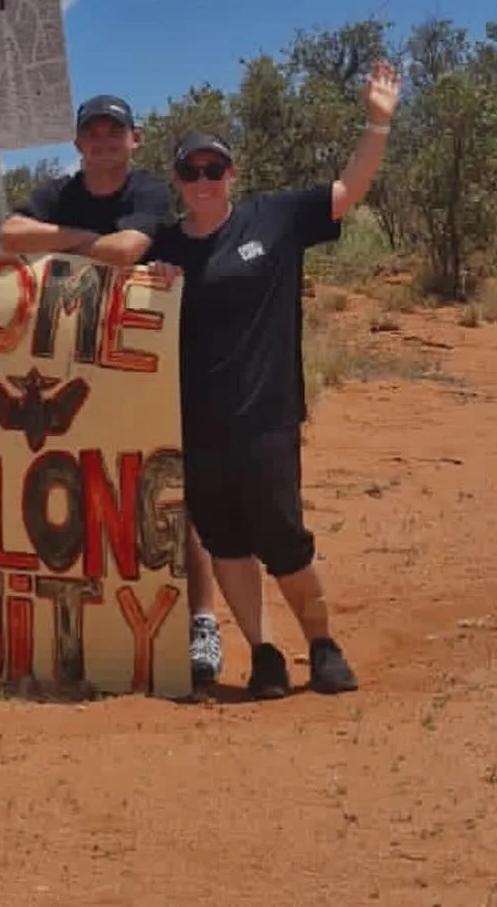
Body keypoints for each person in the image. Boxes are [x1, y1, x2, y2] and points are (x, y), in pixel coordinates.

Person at [149, 60, 403, 701]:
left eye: (214, 169)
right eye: (190, 171)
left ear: (232, 174)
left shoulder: (274, 218)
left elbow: (349, 191)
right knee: (226, 541)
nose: (203, 180)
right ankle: (263, 653)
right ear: (177, 181)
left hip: (266, 414)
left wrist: (377, 121)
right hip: (199, 424)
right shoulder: (166, 251)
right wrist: (147, 284)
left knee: (282, 536)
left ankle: (323, 645)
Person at [0, 93, 225, 687]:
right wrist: (84, 239)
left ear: (135, 138)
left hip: (144, 368)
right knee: (75, 488)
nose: (102, 140)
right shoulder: (60, 191)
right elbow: (9, 233)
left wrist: (63, 245)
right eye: (91, 132)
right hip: (72, 370)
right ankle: (86, 620)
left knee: (169, 490)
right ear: (77, 142)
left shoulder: (146, 191)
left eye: (113, 131)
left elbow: (128, 250)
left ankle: (202, 621)